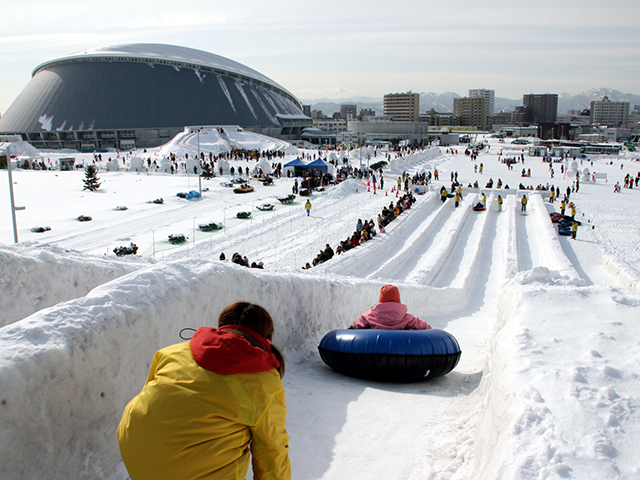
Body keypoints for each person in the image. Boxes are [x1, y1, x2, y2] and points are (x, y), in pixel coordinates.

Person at [117, 302, 291, 480]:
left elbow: (154, 400)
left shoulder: (171, 352)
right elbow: (272, 450)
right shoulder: (263, 380)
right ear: (266, 338)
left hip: (135, 453)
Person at [352, 284, 432, 330]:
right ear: (398, 299)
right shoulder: (406, 317)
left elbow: (356, 326)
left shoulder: (370, 315)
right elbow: (421, 325)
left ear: (380, 299)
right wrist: (428, 328)